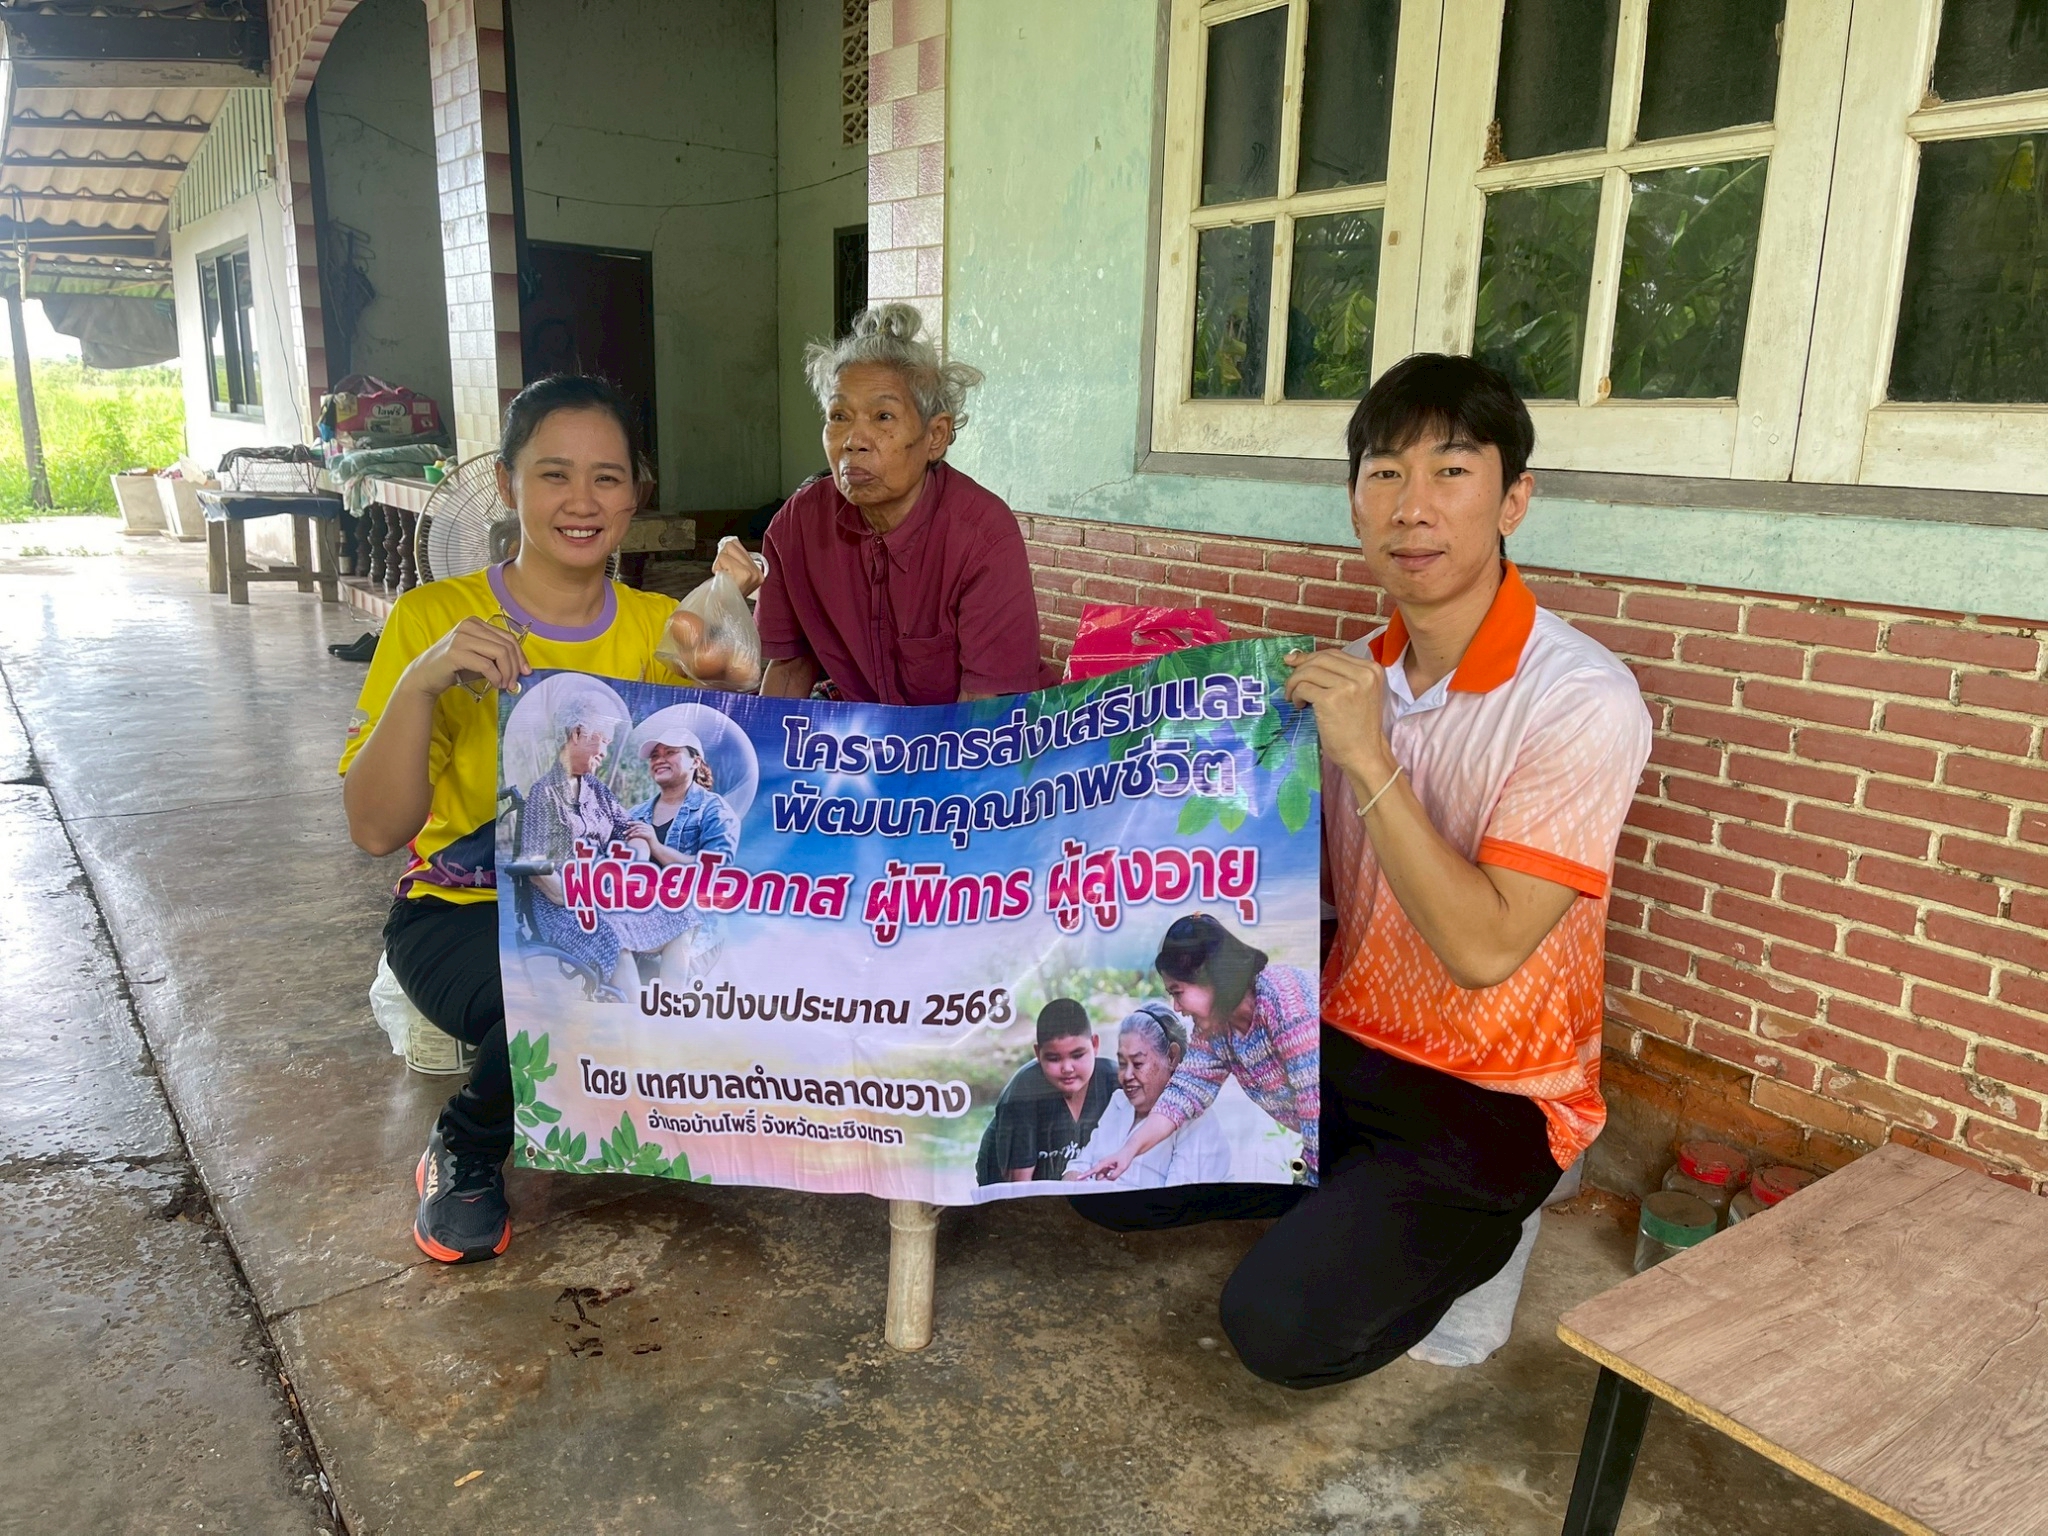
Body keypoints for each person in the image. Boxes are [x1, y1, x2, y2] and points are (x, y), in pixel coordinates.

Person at [1075, 354, 1652, 1390]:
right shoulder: (1346, 674)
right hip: (1343, 1041)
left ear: (1514, 499)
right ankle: (1356, 1200)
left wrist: (1368, 756)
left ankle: (1491, 1219)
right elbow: (1288, 892)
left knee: (1279, 1331)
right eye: (1385, 474)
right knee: (1093, 1175)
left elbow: (1483, 949)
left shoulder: (1580, 699)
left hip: (1492, 1091)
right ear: (1354, 503)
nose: (1412, 507)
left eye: (1452, 472)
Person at [340, 374, 697, 1266]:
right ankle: (467, 1140)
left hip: (604, 901)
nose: (582, 501)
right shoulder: (435, 618)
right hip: (458, 915)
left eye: (608, 477)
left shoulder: (666, 633)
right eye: (553, 474)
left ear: (637, 494)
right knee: (569, 983)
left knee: (723, 958)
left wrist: (739, 684)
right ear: (506, 484)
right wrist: (422, 681)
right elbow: (376, 830)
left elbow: (708, 794)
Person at [754, 303, 1050, 705]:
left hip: (972, 732)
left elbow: (984, 706)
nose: (853, 441)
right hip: (868, 732)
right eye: (839, 416)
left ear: (936, 436)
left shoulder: (982, 535)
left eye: (883, 417)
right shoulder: (797, 526)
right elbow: (789, 667)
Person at [1080, 916, 1320, 1181]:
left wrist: (1310, 1177)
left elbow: (1317, 1104)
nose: (1176, 1007)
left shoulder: (1287, 1003)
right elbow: (1182, 1095)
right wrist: (1127, 1152)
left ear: (1209, 975)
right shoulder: (1217, 1027)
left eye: (1177, 992)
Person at [1067, 1002, 1232, 1188]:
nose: (1127, 1076)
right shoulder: (1119, 1103)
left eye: (1138, 1064)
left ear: (1172, 1057)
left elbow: (1178, 1199)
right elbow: (1078, 1167)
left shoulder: (1195, 1121)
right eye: (1122, 1064)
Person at [974, 999, 1119, 1185]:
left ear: (1095, 1044)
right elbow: (1019, 1186)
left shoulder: (1115, 1081)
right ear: (1038, 1053)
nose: (1067, 1068)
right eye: (1054, 1058)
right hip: (1011, 1191)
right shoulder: (1023, 1093)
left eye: (1077, 1055)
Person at [624, 720, 740, 865]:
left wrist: (657, 847)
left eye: (670, 752)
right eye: (654, 756)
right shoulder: (635, 814)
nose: (659, 760)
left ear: (695, 762)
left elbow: (716, 867)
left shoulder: (714, 810)